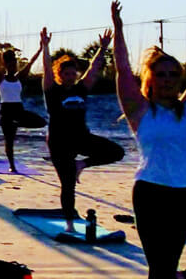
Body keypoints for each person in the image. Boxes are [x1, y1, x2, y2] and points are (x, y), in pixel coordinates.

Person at [110, 0, 186, 279]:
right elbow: (121, 70)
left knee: (173, 270)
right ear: (151, 79)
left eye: (174, 74)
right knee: (161, 264)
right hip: (152, 193)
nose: (168, 80)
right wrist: (119, 30)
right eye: (162, 74)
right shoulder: (140, 110)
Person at [40, 25, 124, 233]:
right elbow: (47, 71)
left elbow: (93, 70)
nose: (70, 76)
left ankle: (82, 164)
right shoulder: (53, 91)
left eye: (73, 73)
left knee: (117, 152)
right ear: (60, 75)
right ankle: (69, 224)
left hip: (81, 137)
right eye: (66, 73)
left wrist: (103, 48)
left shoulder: (81, 89)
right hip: (59, 143)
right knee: (68, 184)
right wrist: (45, 47)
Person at [0, 46, 46, 172]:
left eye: (15, 64)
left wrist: (40, 49)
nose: (14, 66)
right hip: (6, 111)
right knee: (9, 140)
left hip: (18, 110)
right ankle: (12, 166)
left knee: (42, 122)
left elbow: (31, 62)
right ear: (5, 65)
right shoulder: (0, 79)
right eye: (11, 64)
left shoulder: (20, 77)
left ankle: (17, 122)